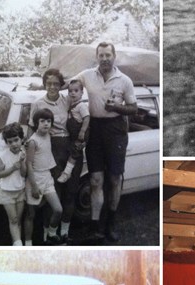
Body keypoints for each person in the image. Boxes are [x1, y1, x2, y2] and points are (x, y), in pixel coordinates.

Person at [74, 41, 138, 242]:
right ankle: (95, 227)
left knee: (115, 179)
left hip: (116, 130)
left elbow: (134, 109)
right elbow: (67, 84)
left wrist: (117, 108)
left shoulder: (125, 80)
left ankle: (110, 224)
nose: (104, 59)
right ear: (97, 57)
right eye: (100, 55)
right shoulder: (87, 75)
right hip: (96, 129)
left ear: (114, 56)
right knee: (95, 180)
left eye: (107, 55)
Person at [29, 68, 78, 244]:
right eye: (49, 83)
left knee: (71, 192)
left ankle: (64, 231)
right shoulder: (38, 103)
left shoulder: (67, 100)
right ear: (44, 84)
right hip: (51, 148)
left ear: (61, 85)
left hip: (70, 148)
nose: (52, 87)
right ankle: (48, 234)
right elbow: (31, 129)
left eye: (56, 83)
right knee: (53, 193)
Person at [24, 108, 63, 246]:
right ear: (36, 123)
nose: (46, 124)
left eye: (48, 121)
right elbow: (28, 163)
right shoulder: (33, 141)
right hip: (35, 178)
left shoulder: (47, 135)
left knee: (58, 209)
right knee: (30, 215)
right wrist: (34, 186)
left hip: (47, 177)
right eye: (42, 121)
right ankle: (28, 243)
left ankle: (51, 233)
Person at [0, 122, 27, 246]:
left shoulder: (23, 153)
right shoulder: (1, 156)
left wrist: (22, 162)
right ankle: (18, 245)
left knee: (17, 220)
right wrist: (13, 168)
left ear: (21, 139)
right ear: (6, 143)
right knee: (13, 219)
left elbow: (24, 174)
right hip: (7, 192)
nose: (14, 144)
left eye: (16, 140)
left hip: (20, 190)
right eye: (10, 142)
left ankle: (16, 242)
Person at [57, 79, 90, 184]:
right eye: (70, 91)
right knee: (72, 150)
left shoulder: (81, 106)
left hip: (81, 133)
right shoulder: (70, 105)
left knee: (74, 152)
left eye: (76, 90)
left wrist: (83, 131)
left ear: (82, 92)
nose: (73, 93)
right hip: (73, 134)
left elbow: (87, 118)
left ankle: (67, 173)